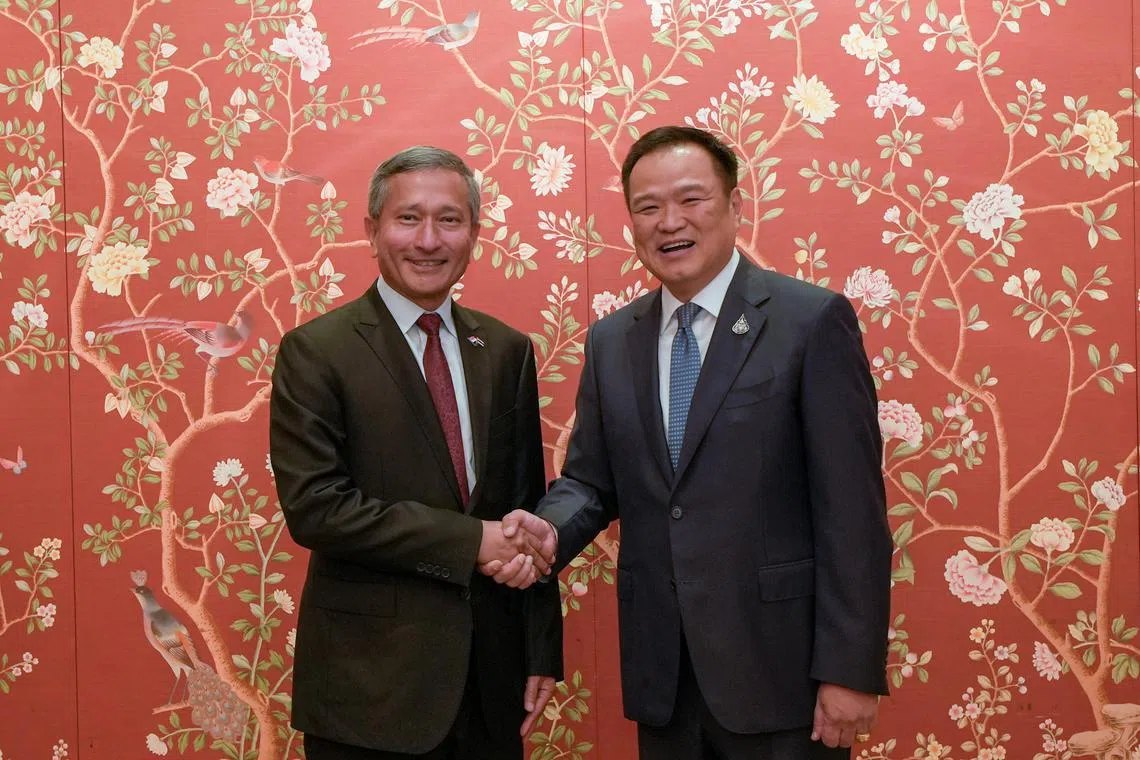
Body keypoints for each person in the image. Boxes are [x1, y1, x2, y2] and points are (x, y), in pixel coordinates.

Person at [485, 126, 892, 759]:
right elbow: (591, 480)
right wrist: (548, 532)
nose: (669, 221)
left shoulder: (809, 322)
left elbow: (853, 512)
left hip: (782, 676)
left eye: (691, 199)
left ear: (735, 206)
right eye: (647, 207)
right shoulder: (613, 341)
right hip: (666, 677)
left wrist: (849, 669)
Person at [270, 146, 562, 760]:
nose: (429, 240)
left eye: (449, 220)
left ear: (474, 234)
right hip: (369, 690)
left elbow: (525, 508)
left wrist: (539, 649)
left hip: (491, 681)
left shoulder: (506, 349)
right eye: (408, 218)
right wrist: (470, 541)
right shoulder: (316, 351)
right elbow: (317, 509)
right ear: (371, 229)